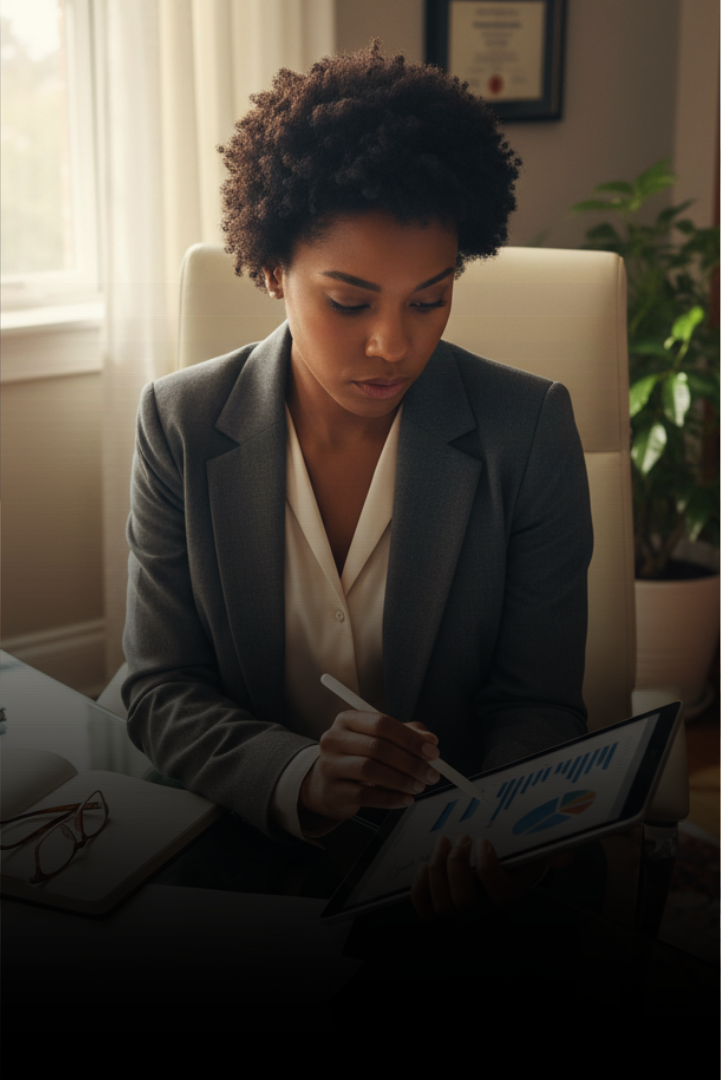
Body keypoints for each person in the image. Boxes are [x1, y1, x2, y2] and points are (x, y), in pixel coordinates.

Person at [122, 41, 595, 923]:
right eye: (348, 302)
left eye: (430, 299)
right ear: (270, 271)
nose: (393, 344)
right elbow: (159, 686)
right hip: (247, 851)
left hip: (454, 873)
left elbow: (537, 701)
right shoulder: (179, 426)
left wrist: (490, 825)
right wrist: (298, 774)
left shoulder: (527, 431)